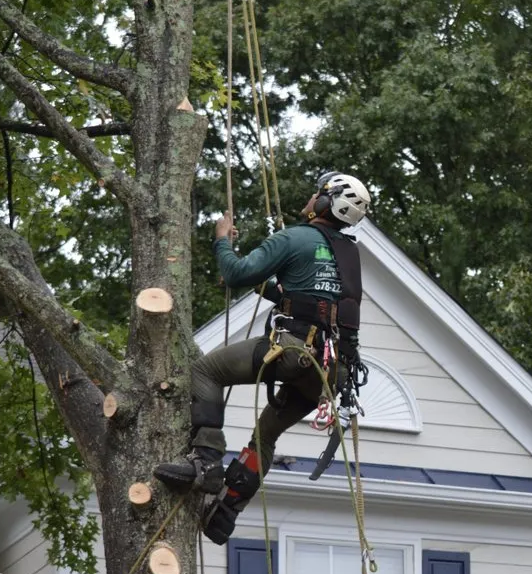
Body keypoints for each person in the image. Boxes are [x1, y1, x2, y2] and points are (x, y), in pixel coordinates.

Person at [154, 171, 371, 544]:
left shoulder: (296, 238)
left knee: (205, 371)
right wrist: (265, 286)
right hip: (331, 373)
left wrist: (222, 241)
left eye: (316, 194)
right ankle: (224, 512)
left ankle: (206, 462)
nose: (309, 199)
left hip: (295, 351)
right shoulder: (348, 254)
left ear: (326, 201)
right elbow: (312, 303)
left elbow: (236, 272)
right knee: (265, 438)